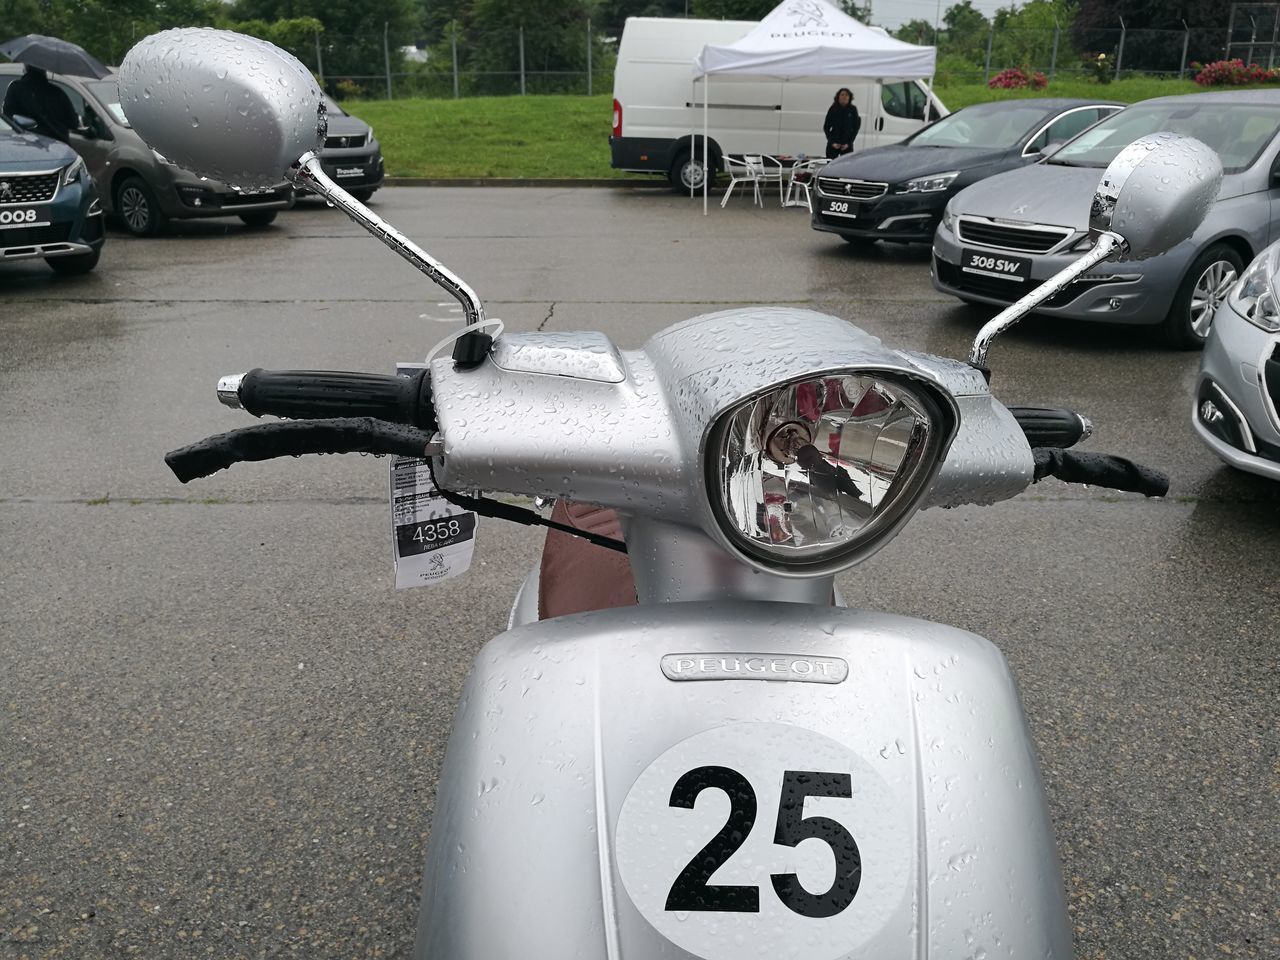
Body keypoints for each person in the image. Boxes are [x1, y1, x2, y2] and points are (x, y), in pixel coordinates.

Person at [2, 65, 80, 143]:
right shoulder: (58, 93)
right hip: (59, 144)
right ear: (45, 70)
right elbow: (73, 123)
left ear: (26, 68)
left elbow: (7, 117)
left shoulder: (16, 89)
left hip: (27, 142)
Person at [823, 87, 861, 160]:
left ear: (849, 98)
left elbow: (856, 127)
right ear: (838, 97)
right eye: (842, 95)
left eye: (847, 95)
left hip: (847, 144)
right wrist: (832, 142)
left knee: (847, 167)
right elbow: (826, 127)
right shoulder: (833, 109)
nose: (844, 97)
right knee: (831, 166)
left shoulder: (853, 109)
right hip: (834, 144)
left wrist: (849, 143)